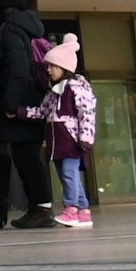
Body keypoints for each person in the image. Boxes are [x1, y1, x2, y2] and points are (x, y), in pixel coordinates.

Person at [0, 0, 58, 229]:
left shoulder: (9, 29)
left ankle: (41, 207)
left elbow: (18, 69)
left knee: (26, 158)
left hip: (22, 104)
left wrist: (9, 103)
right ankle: (38, 207)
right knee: (29, 156)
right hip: (35, 98)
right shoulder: (31, 27)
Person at [34, 34, 98, 228]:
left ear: (65, 68)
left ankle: (70, 209)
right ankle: (83, 211)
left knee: (70, 174)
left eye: (53, 66)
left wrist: (85, 139)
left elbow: (87, 113)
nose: (49, 69)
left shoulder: (75, 87)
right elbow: (42, 112)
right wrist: (19, 112)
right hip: (58, 143)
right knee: (68, 176)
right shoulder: (54, 91)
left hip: (71, 141)